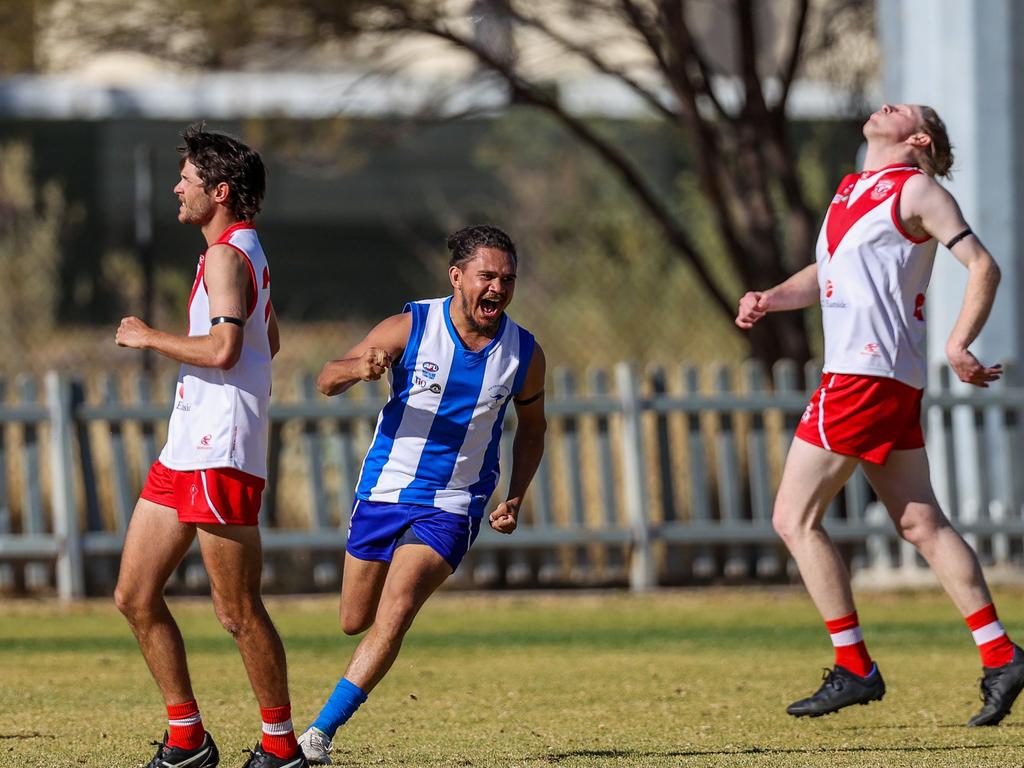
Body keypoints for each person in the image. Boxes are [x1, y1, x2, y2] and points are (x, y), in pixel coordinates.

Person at [736, 103, 1023, 724]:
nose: (888, 105)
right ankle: (1001, 656)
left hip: (864, 376)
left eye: (906, 110)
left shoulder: (919, 188)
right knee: (922, 524)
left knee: (793, 518)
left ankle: (855, 667)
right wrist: (772, 298)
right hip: (880, 378)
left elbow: (983, 265)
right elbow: (830, 272)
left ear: (917, 138)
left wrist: (957, 344)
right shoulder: (850, 190)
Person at [296, 225, 546, 764]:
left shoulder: (524, 352)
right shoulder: (411, 327)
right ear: (457, 277)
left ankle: (318, 735)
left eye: (508, 279)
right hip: (385, 490)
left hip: (455, 504)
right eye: (487, 276)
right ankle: (332, 709)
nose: (498, 289)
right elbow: (325, 378)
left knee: (398, 608)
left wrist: (516, 494)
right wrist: (357, 369)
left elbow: (534, 427)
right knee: (353, 619)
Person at [114, 125, 309, 768]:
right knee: (135, 595)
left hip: (219, 448)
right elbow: (266, 341)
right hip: (187, 446)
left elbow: (227, 350)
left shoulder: (228, 256)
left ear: (219, 192)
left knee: (235, 610)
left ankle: (281, 749)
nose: (177, 187)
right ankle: (187, 739)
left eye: (188, 180)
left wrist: (148, 337)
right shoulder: (238, 251)